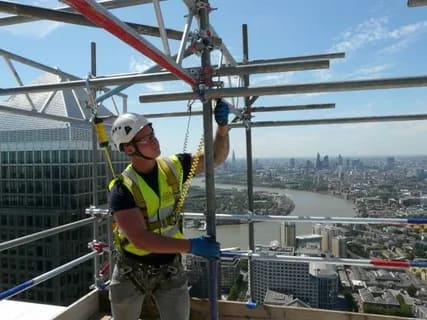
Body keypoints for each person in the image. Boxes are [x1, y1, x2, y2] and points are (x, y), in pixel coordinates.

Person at [108, 99, 230, 320]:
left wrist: (222, 129)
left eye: (152, 134)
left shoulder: (173, 166)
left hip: (170, 267)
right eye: (145, 139)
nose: (154, 142)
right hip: (131, 269)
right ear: (129, 148)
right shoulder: (122, 189)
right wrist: (192, 245)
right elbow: (140, 240)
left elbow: (215, 159)